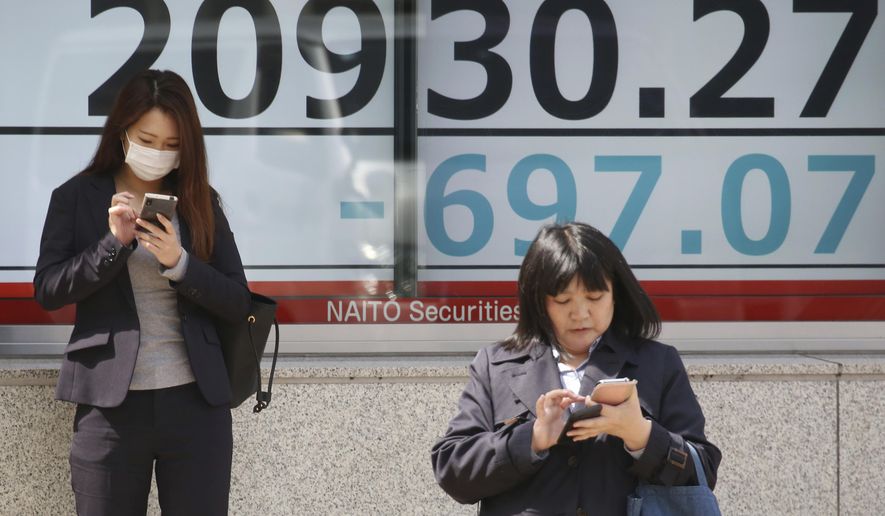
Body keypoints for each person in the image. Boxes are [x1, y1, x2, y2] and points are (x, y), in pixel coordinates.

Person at [33, 69, 250, 515]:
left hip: (196, 406)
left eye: (172, 146)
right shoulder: (76, 198)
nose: (158, 154)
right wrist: (113, 245)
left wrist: (180, 263)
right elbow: (49, 289)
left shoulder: (199, 201)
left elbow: (237, 301)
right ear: (123, 132)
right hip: (110, 411)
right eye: (148, 140)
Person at [431, 222, 721, 515]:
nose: (580, 313)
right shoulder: (496, 365)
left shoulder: (657, 363)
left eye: (595, 298)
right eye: (563, 300)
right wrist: (532, 438)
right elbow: (452, 469)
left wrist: (641, 435)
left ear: (616, 294)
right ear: (539, 301)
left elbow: (704, 470)